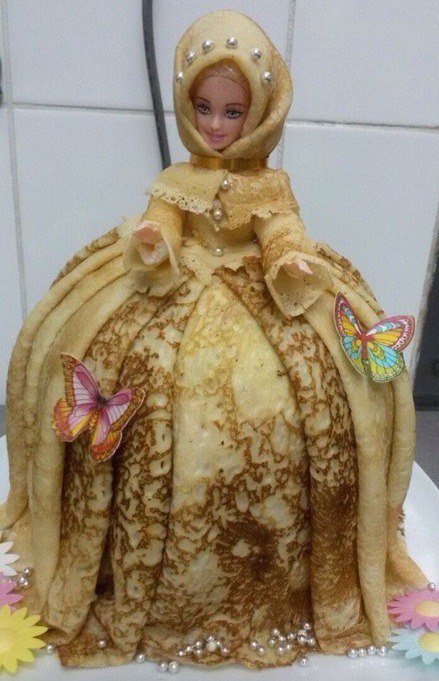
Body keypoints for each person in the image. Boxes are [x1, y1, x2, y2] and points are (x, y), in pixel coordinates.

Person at [0, 9, 427, 670]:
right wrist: (155, 240)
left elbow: (279, 231)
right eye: (204, 108)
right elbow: (165, 222)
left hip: (263, 290)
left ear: (261, 113)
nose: (217, 126)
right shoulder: (177, 182)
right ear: (184, 104)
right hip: (175, 284)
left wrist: (288, 259)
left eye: (233, 112)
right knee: (129, 371)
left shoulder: (269, 185)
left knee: (312, 389)